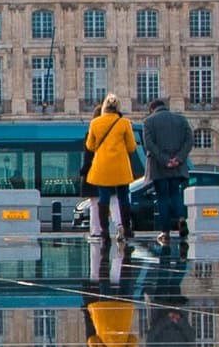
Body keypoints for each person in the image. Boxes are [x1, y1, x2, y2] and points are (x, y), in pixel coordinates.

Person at [83, 95, 137, 243]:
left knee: (104, 198)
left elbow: (90, 146)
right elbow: (132, 147)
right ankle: (126, 229)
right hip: (120, 166)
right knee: (123, 197)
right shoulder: (124, 123)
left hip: (102, 166)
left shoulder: (95, 123)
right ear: (118, 107)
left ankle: (104, 231)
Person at [140, 94, 194, 240]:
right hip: (177, 166)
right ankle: (181, 218)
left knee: (162, 198)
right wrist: (178, 158)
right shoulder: (181, 119)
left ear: (152, 109)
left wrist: (165, 160)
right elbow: (189, 141)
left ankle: (165, 231)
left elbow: (149, 145)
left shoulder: (149, 122)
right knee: (175, 194)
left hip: (159, 166)